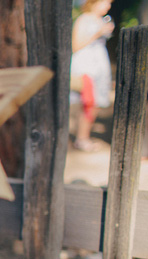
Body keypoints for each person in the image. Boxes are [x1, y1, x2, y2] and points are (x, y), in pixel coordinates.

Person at [70, 0, 114, 152]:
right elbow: (75, 45)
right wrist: (98, 33)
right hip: (86, 67)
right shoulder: (83, 19)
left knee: (94, 103)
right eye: (105, 2)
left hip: (99, 66)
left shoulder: (100, 19)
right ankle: (82, 139)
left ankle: (83, 136)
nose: (108, 6)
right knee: (89, 102)